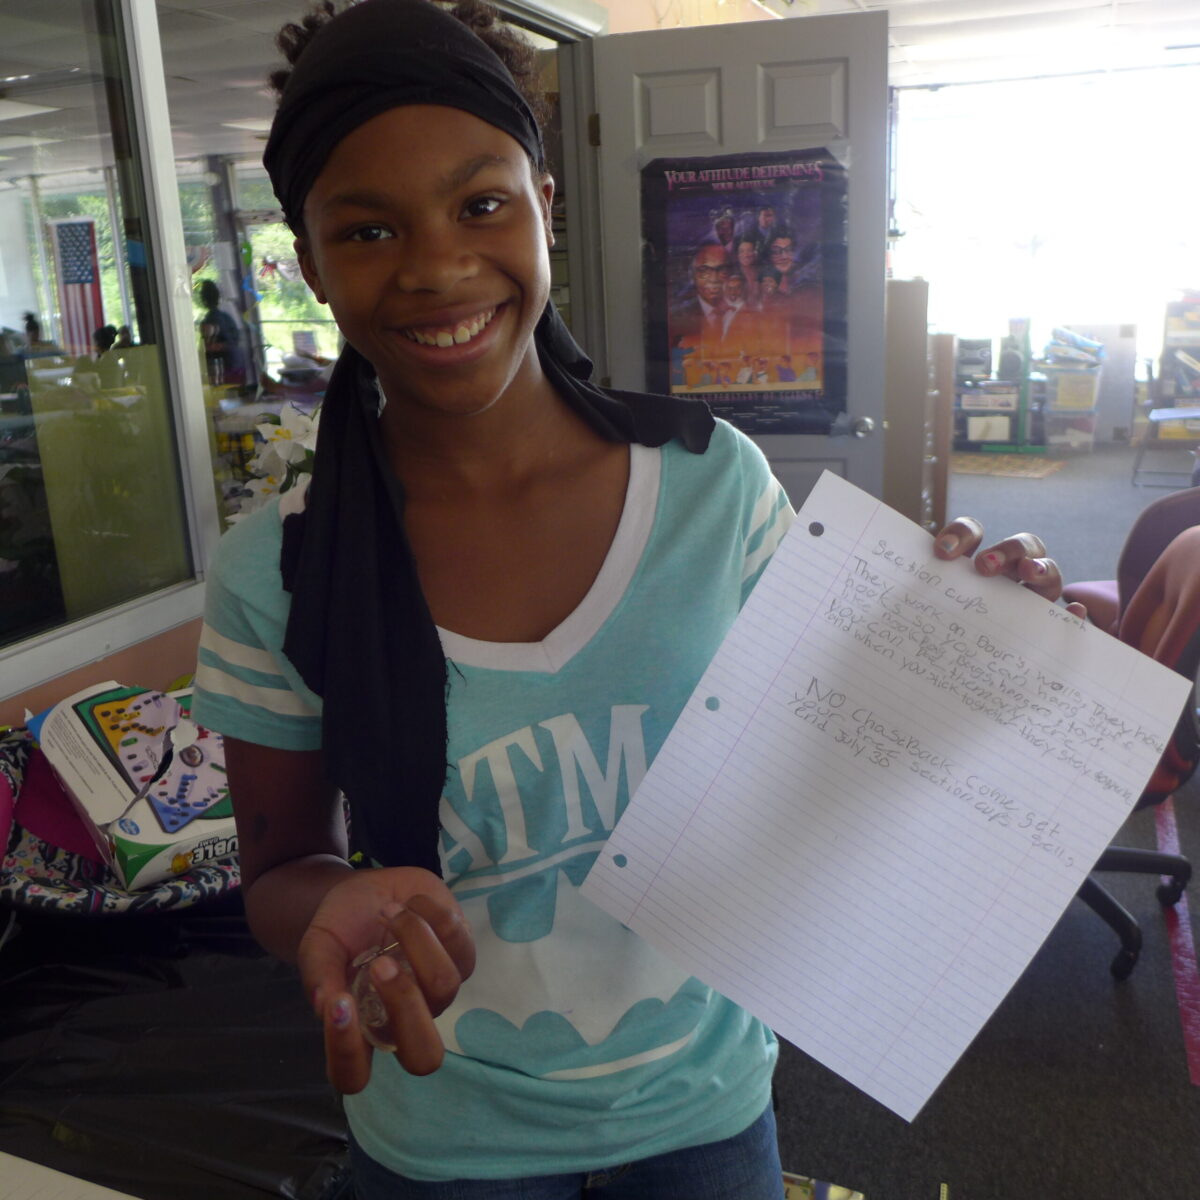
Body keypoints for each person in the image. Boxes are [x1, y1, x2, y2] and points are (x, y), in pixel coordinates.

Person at [190, 2, 1079, 1196]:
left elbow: (836, 763)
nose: (439, 266)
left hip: (704, 1119)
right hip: (442, 1147)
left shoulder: (715, 487)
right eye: (366, 228)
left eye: (482, 203)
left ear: (546, 203)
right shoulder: (280, 570)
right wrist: (335, 902)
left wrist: (981, 653)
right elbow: (280, 864)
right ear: (309, 263)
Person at [197, 278, 247, 386]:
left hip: (224, 370)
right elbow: (236, 340)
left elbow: (210, 347)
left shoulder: (210, 320)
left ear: (203, 299)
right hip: (239, 366)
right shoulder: (227, 317)